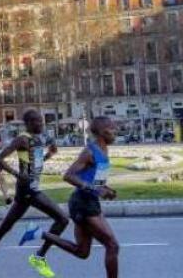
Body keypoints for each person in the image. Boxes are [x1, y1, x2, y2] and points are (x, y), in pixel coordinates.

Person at [0, 110, 68, 278]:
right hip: (28, 189)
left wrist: (46, 157)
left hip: (30, 187)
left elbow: (49, 151)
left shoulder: (42, 137)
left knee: (6, 226)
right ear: (27, 123)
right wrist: (17, 174)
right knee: (63, 219)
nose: (40, 124)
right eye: (36, 122)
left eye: (41, 121)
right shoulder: (22, 139)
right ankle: (39, 256)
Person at [21, 116, 120, 278]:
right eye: (112, 128)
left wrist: (107, 190)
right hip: (82, 203)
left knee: (82, 252)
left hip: (89, 202)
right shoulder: (90, 152)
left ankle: (37, 232)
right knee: (112, 245)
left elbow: (96, 182)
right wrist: (95, 189)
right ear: (102, 132)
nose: (116, 131)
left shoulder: (104, 149)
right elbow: (68, 176)